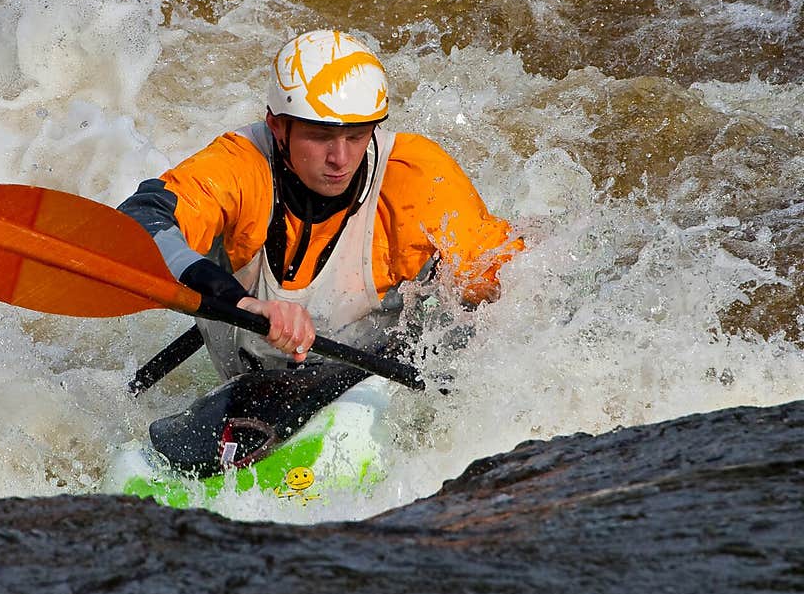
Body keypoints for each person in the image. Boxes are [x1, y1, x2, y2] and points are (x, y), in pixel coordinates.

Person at [119, 28, 524, 381]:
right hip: (246, 383)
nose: (341, 159)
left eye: (355, 136)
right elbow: (137, 225)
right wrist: (240, 302)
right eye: (319, 137)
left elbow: (503, 279)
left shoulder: (416, 177)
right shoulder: (238, 167)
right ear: (277, 126)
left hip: (370, 375)